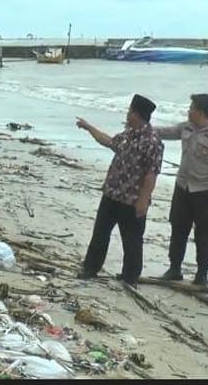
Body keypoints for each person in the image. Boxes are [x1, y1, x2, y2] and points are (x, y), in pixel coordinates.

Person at [75, 94, 164, 288]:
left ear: (137, 114)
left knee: (132, 240)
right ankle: (90, 268)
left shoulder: (152, 141)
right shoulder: (128, 133)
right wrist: (89, 127)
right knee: (100, 233)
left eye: (130, 111)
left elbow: (151, 174)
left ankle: (130, 278)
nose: (127, 114)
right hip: (112, 193)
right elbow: (109, 141)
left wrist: (143, 200)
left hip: (132, 199)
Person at [155, 94, 208, 286]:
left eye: (191, 108)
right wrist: (144, 128)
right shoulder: (187, 127)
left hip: (206, 191)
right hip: (183, 187)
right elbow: (166, 131)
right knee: (178, 228)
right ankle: (174, 268)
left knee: (204, 234)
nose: (188, 111)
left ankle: (202, 274)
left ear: (200, 112)